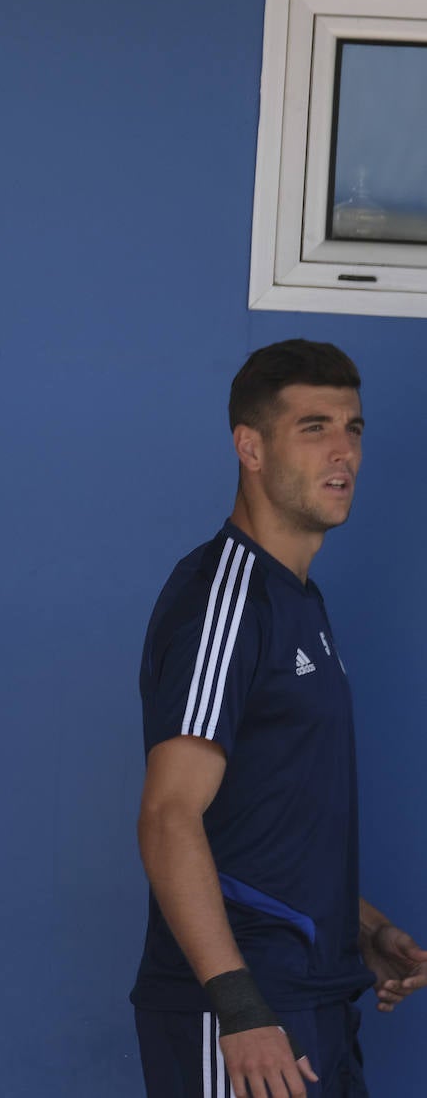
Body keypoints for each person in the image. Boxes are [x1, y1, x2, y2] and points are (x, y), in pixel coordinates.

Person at [131, 339, 427, 1097]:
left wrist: (364, 931)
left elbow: (267, 823)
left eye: (354, 428)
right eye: (314, 427)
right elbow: (169, 816)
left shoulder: (302, 600)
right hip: (246, 1015)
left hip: (317, 999)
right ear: (250, 447)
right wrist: (239, 1010)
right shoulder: (223, 598)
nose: (343, 452)